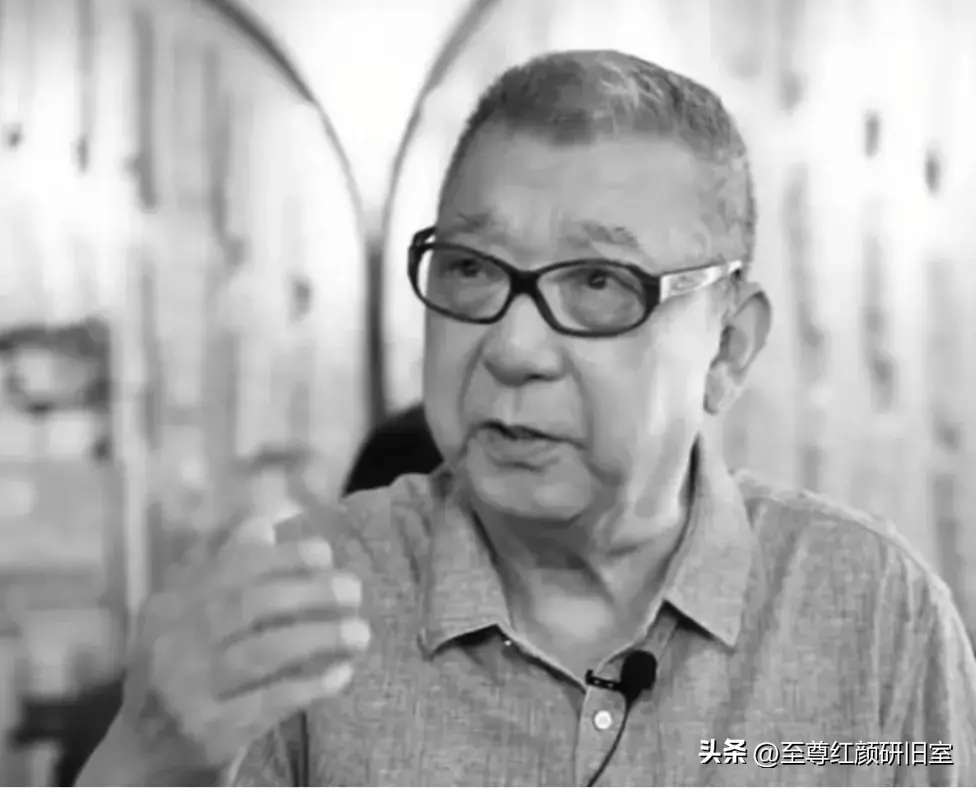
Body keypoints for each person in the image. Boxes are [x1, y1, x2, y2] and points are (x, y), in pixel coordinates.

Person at [77, 50, 976, 787]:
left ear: (728, 349)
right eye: (472, 269)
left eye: (599, 282)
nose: (512, 348)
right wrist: (143, 762)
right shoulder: (299, 604)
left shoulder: (872, 609)